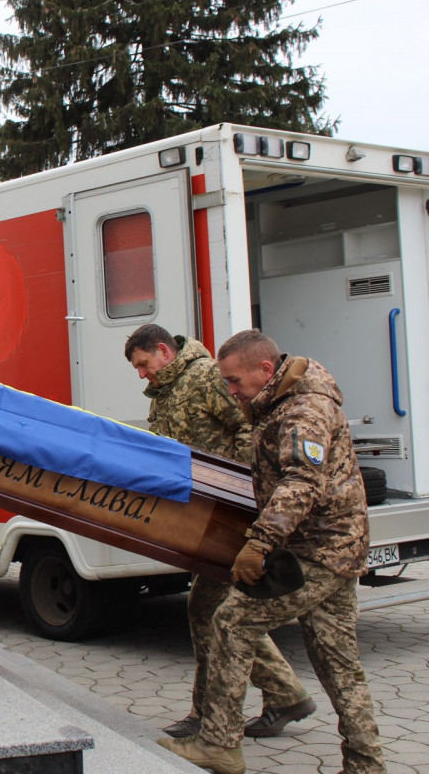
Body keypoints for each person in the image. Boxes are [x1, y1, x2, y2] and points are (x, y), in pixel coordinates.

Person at [159, 330, 386, 774]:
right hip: (332, 548)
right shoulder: (277, 401)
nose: (230, 390)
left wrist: (259, 543)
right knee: (338, 662)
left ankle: (220, 744)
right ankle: (366, 765)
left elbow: (301, 482)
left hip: (318, 550)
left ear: (266, 370)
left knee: (230, 621)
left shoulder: (303, 410)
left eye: (234, 381)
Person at [124, 325, 313, 741]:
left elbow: (252, 430)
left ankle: (216, 712)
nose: (141, 374)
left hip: (232, 511)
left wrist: (235, 485)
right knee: (219, 610)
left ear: (163, 351)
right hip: (205, 515)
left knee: (212, 610)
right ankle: (283, 693)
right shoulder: (168, 392)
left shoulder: (207, 376)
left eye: (143, 364)